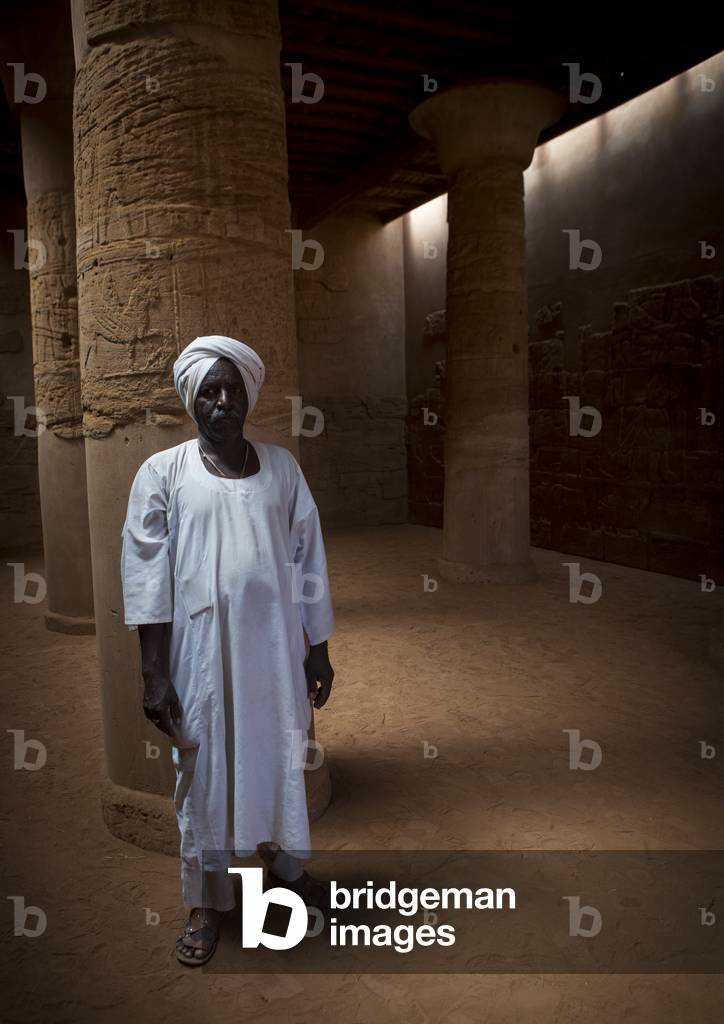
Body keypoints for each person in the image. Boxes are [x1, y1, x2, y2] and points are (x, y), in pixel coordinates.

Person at [120, 335, 336, 966]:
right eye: (209, 391)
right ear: (193, 400)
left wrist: (316, 648)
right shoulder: (163, 473)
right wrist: (153, 675)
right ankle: (207, 903)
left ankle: (288, 869)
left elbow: (309, 560)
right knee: (206, 775)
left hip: (274, 654)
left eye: (231, 389)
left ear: (247, 394)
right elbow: (145, 579)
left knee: (278, 758)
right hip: (202, 658)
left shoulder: (282, 469)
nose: (222, 402)